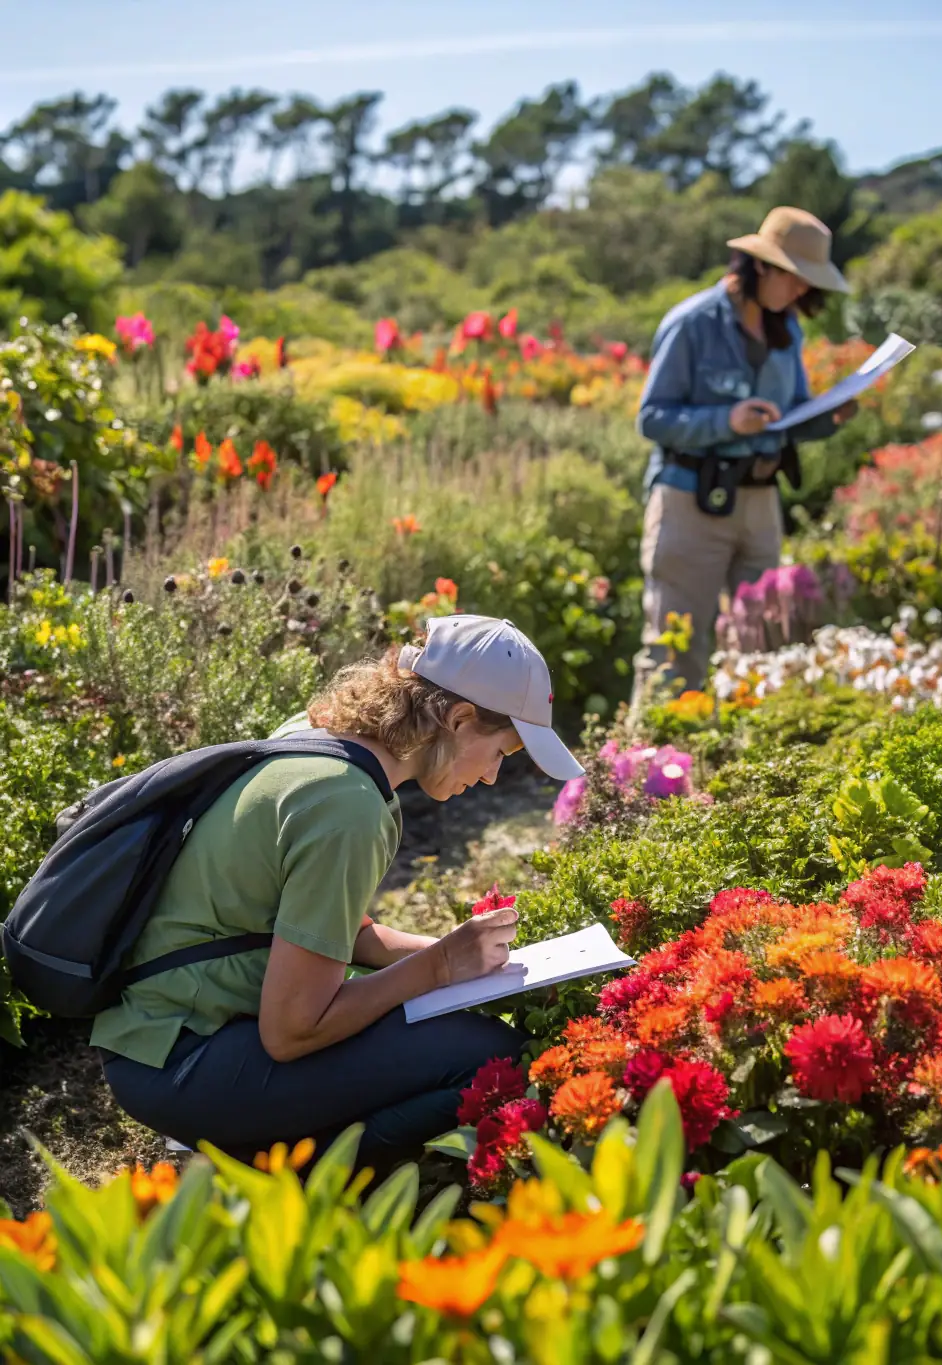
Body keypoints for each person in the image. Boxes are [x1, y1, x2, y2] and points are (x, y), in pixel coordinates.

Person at [93, 615, 584, 1173]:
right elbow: (294, 1029)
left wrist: (458, 958)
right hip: (186, 1065)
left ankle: (264, 1142)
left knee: (455, 1039)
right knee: (495, 1063)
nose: (495, 776)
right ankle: (281, 1171)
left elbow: (328, 927)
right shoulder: (350, 807)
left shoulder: (314, 740)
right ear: (460, 718)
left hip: (152, 1043)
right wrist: (437, 968)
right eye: (502, 752)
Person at [630, 206, 858, 711]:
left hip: (760, 504)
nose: (801, 292)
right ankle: (646, 777)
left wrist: (831, 414)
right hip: (690, 502)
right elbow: (652, 418)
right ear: (762, 266)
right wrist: (725, 422)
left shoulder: (787, 331)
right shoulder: (693, 324)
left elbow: (792, 413)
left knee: (766, 641)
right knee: (675, 650)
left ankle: (748, 772)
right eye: (795, 278)